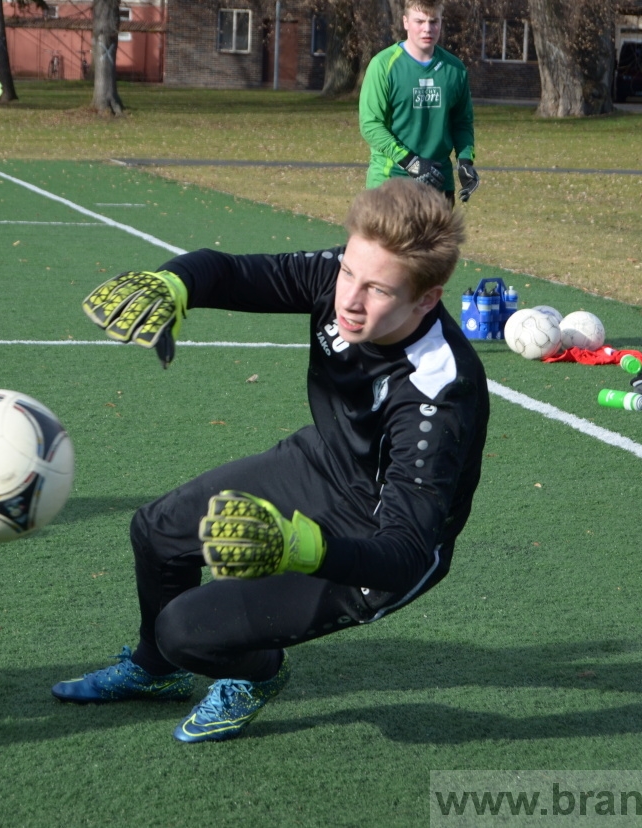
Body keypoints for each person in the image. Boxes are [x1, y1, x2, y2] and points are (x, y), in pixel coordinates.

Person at [53, 178, 490, 743]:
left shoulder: (437, 393)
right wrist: (174, 284)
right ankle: (156, 670)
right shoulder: (340, 274)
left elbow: (407, 553)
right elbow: (227, 270)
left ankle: (256, 674)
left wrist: (302, 548)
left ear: (426, 298)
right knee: (158, 530)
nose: (350, 299)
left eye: (378, 290)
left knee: (185, 629)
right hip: (325, 464)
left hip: (379, 540)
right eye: (349, 273)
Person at [359, 0, 479, 204]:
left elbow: (462, 123)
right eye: (419, 21)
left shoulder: (455, 69)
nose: (427, 29)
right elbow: (371, 125)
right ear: (405, 22)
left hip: (439, 185)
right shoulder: (382, 65)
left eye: (434, 21)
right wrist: (411, 162)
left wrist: (465, 161)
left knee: (435, 238)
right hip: (390, 183)